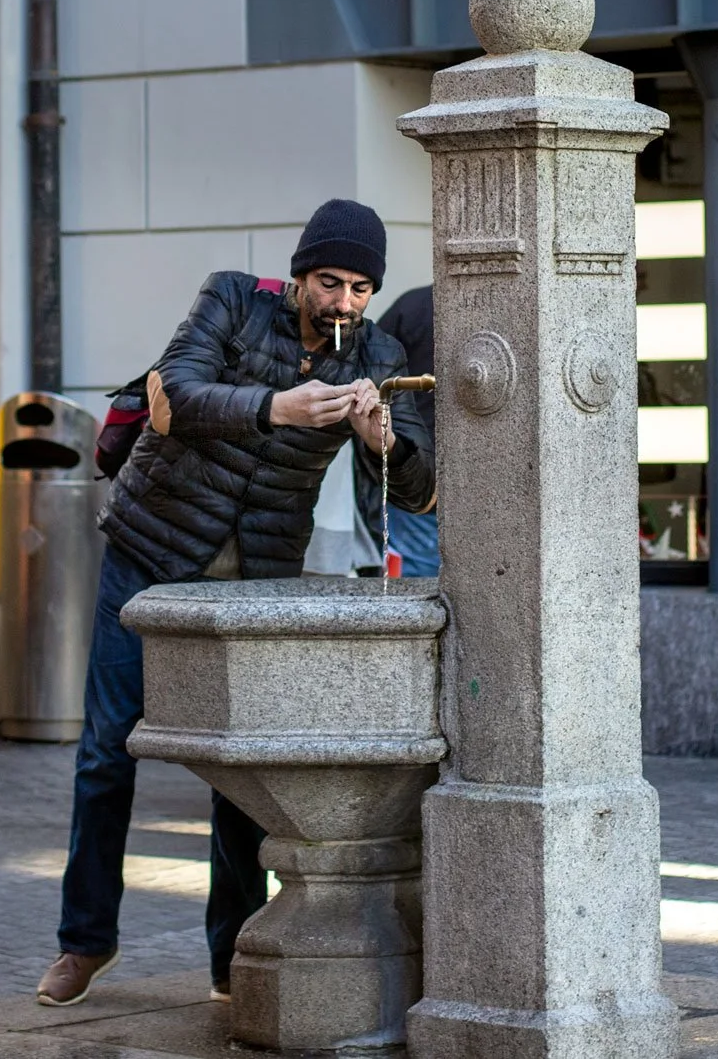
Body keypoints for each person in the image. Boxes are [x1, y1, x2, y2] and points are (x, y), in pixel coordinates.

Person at [36, 198, 436, 1008]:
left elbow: (421, 490)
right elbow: (176, 392)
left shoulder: (381, 351)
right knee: (106, 751)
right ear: (298, 276)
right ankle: (85, 943)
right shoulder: (229, 298)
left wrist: (383, 439)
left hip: (258, 572)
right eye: (331, 282)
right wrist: (274, 408)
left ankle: (233, 956)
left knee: (241, 779)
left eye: (361, 288)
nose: (345, 304)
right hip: (150, 553)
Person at [363, 283, 438, 576]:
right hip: (487, 486)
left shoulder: (413, 305)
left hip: (413, 468)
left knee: (414, 588)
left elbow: (369, 367)